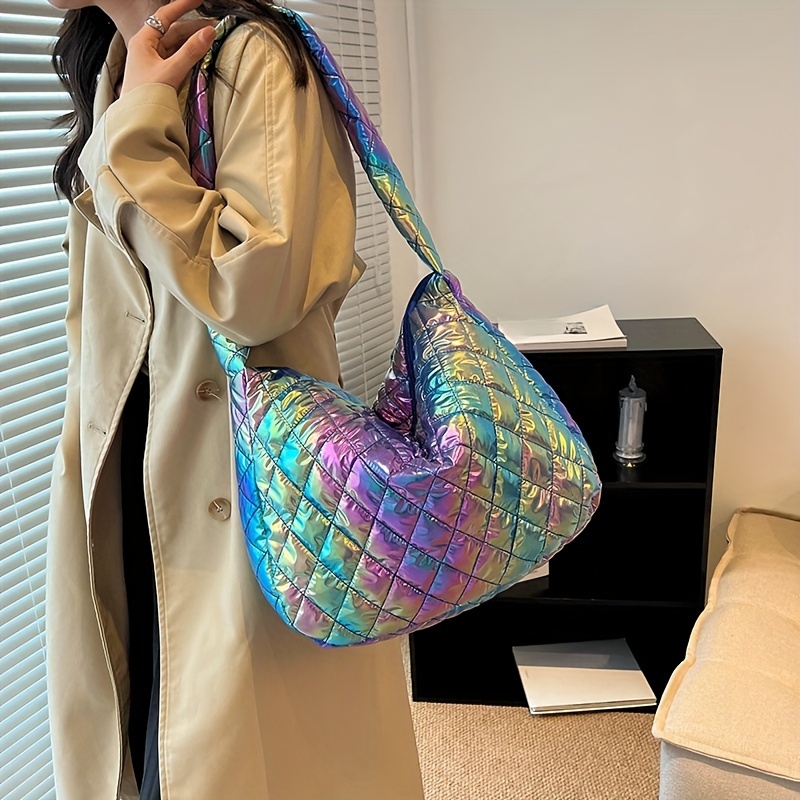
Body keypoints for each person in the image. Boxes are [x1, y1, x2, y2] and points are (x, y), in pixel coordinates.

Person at [44, 0, 425, 797]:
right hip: (130, 475)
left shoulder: (251, 54)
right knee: (144, 739)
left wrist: (137, 126)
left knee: (241, 756)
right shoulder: (114, 63)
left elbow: (256, 292)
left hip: (238, 488)